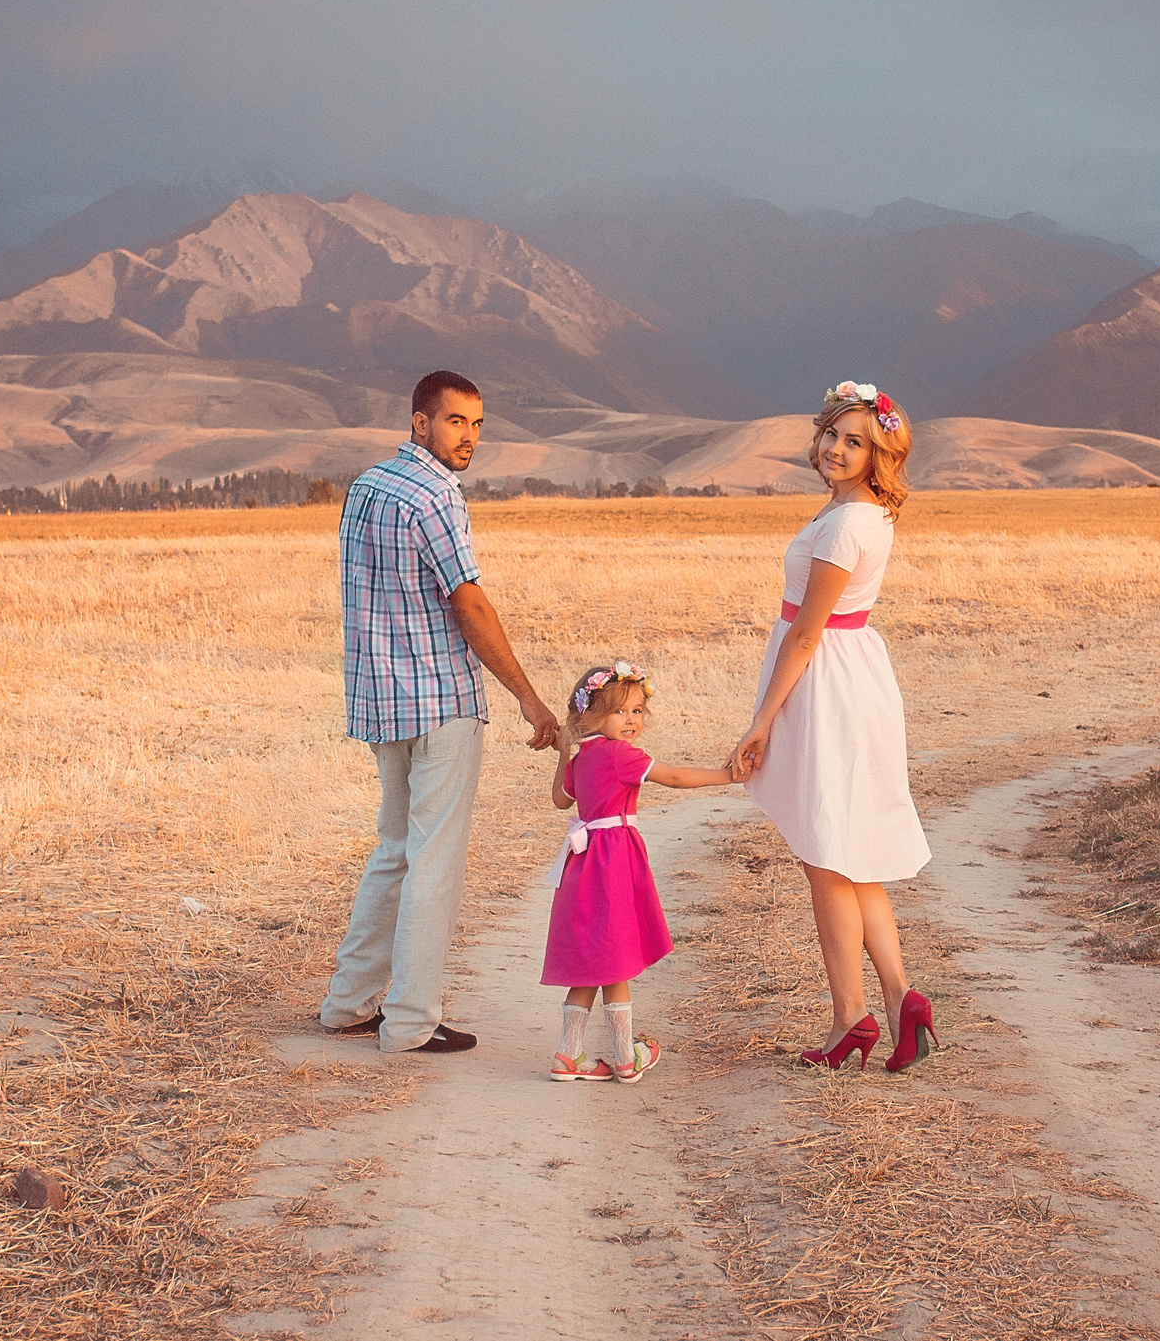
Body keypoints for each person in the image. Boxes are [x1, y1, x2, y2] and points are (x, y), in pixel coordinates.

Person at [319, 369, 561, 1054]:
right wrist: (527, 695)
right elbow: (470, 602)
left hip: (380, 701)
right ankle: (410, 1021)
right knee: (433, 862)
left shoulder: (366, 486)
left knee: (394, 850)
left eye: (478, 425)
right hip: (438, 699)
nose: (470, 438)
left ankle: (347, 1004)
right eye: (456, 422)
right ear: (420, 422)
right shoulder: (435, 496)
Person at [730, 380, 938, 1073]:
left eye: (857, 441)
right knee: (849, 854)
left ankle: (850, 1014)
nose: (838, 449)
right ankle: (902, 995)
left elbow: (806, 631)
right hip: (846, 676)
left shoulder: (851, 522)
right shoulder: (858, 511)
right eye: (833, 435)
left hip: (827, 683)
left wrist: (761, 720)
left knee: (826, 854)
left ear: (880, 454)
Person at [539, 660, 739, 1082]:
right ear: (591, 715)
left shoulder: (587, 755)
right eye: (619, 711)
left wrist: (565, 752)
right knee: (615, 956)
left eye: (637, 710)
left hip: (584, 861)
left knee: (593, 957)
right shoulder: (619, 755)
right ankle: (626, 1059)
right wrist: (728, 776)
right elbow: (676, 777)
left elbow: (561, 800)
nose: (631, 720)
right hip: (612, 861)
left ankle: (567, 1055)